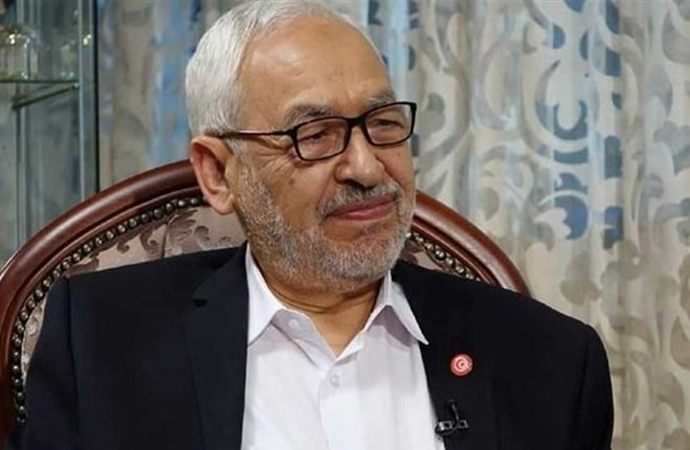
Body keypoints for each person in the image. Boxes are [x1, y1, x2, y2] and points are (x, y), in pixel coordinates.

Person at [6, 1, 614, 449]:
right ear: (218, 173)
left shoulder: (550, 361)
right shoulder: (102, 344)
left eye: (382, 123)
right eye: (314, 135)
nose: (366, 167)